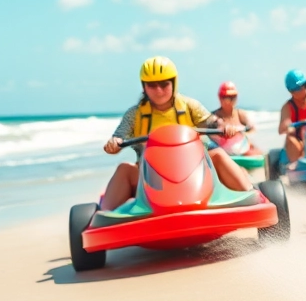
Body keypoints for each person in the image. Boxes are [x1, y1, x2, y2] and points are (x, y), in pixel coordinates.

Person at [101, 57, 252, 210]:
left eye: (164, 84)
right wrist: (114, 144)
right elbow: (118, 137)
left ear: (173, 83)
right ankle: (101, 217)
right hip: (150, 176)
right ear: (144, 86)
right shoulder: (134, 114)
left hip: (194, 170)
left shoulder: (190, 106)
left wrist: (223, 127)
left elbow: (212, 122)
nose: (158, 90)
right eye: (152, 85)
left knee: (218, 154)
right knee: (124, 169)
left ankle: (252, 197)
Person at [211, 81, 262, 156]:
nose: (231, 100)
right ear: (220, 98)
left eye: (233, 97)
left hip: (242, 151)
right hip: (223, 154)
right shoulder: (214, 116)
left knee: (257, 152)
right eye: (227, 97)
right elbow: (214, 125)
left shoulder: (240, 114)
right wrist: (224, 130)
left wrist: (240, 130)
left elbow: (252, 127)